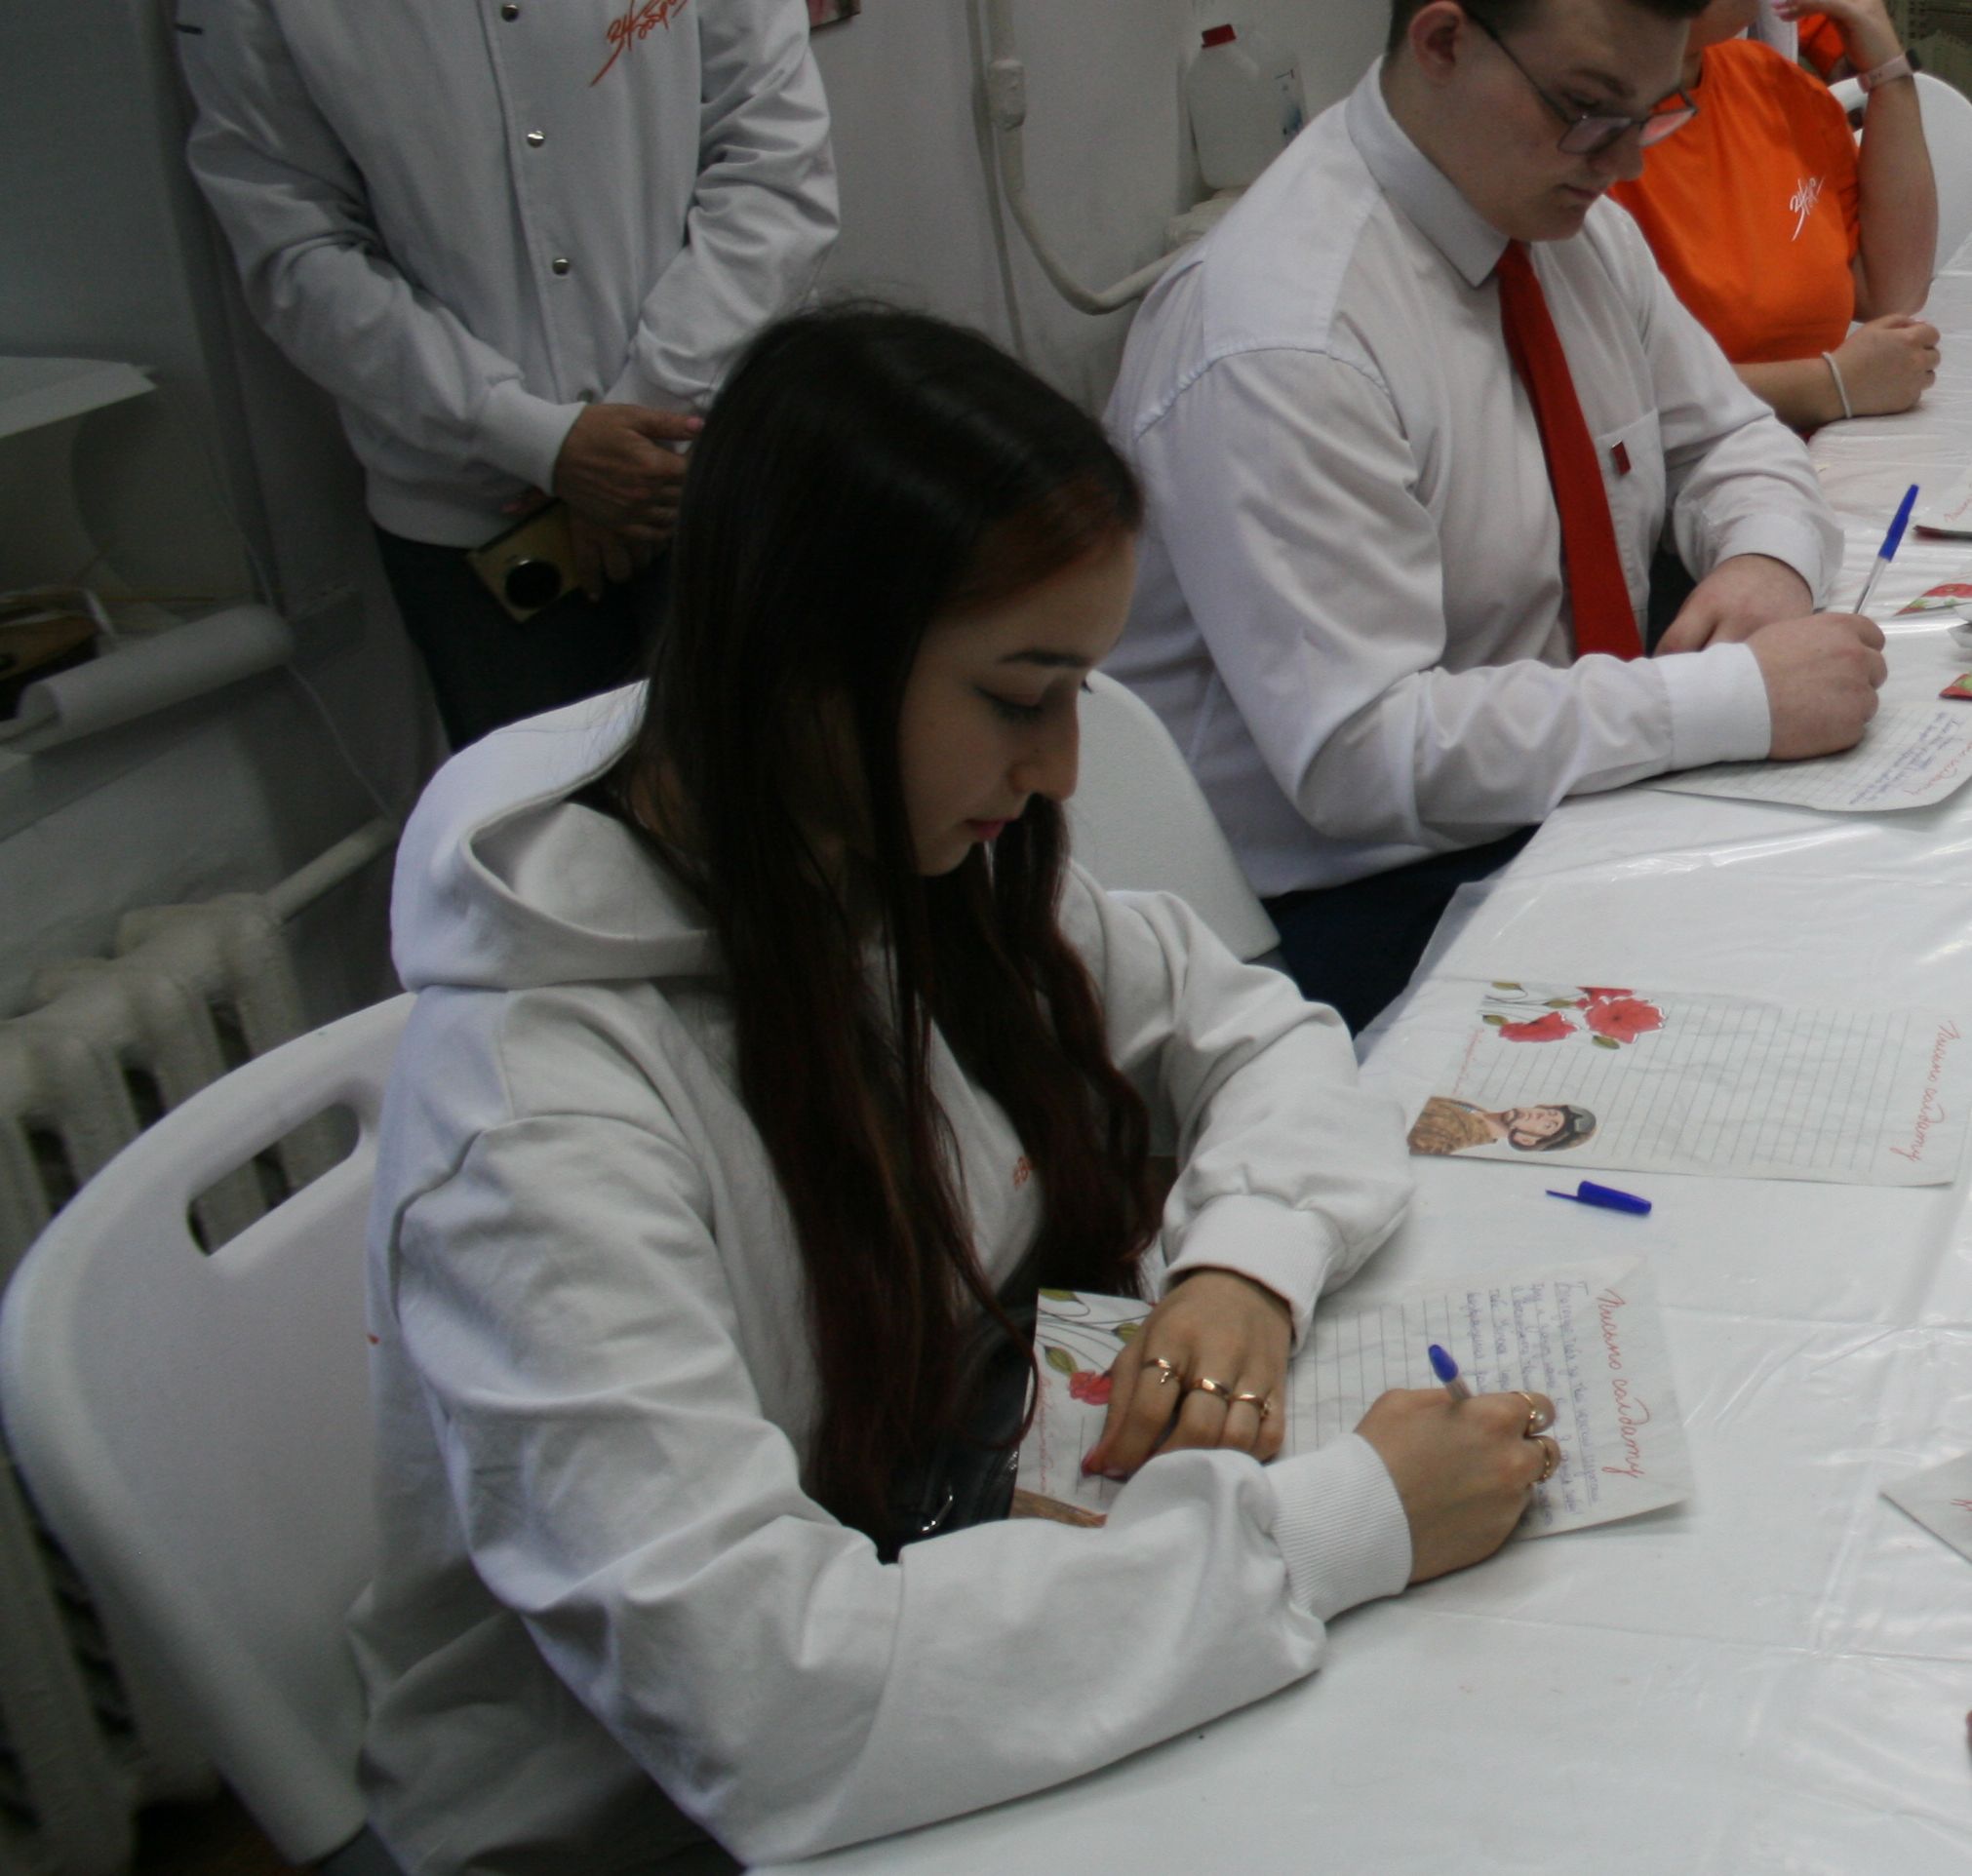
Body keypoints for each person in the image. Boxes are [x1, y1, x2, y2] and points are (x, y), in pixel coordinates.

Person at [349, 308, 1563, 1873]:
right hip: (660, 1822)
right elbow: (768, 1700)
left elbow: (1259, 1035)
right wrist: (1343, 1527)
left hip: (951, 1536)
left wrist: (1244, 1267)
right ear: (803, 658)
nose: (1061, 768)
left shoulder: (877, 846)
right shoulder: (536, 1121)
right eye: (1017, 695)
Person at [1105, 0, 1887, 1036]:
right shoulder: (1284, 336)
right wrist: (1726, 699)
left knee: (1869, 934)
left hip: (1561, 795)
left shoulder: (1566, 225)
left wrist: (1763, 564)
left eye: (1652, 114)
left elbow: (1729, 439)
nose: (1626, 165)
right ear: (1444, 42)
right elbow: (1362, 754)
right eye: (1589, 111)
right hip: (1346, 901)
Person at [177, 0, 839, 748]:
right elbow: (296, 247)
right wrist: (531, 437)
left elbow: (775, 166)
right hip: (474, 523)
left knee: (770, 792)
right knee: (539, 814)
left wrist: (651, 408)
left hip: (710, 470)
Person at [1610, 0, 1939, 429]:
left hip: (1809, 452)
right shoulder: (1581, 128)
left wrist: (1889, 72)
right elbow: (1602, 394)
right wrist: (1831, 386)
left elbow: (1890, 293)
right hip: (1683, 467)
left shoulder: (1775, 84)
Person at [1410, 1097, 1598, 1153]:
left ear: (1526, 1140)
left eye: (1548, 1125)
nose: (1539, 1116)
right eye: (1550, 1113)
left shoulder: (1448, 1137)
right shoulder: (1474, 1110)